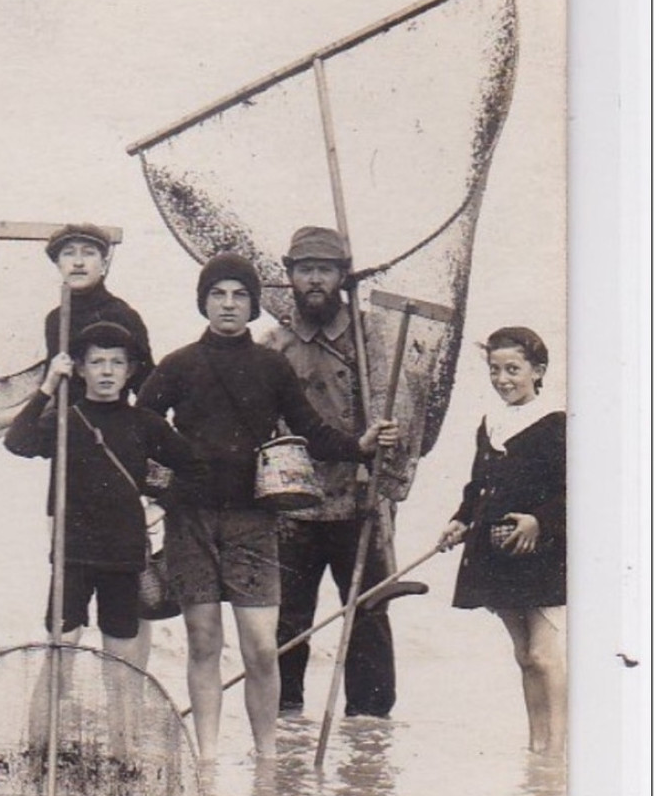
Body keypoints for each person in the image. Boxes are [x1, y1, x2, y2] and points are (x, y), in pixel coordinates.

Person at [136, 253, 397, 760]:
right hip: (190, 521)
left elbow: (309, 430)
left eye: (239, 295)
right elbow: (142, 419)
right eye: (218, 294)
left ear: (253, 305)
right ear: (204, 302)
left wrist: (358, 445)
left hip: (254, 521)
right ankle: (207, 757)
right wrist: (179, 460)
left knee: (260, 647)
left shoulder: (270, 365)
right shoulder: (180, 363)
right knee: (204, 641)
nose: (228, 305)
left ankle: (268, 757)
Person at [262, 226, 416, 718]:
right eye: (304, 270)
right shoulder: (275, 344)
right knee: (289, 619)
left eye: (324, 270)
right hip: (295, 506)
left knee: (369, 612)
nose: (314, 281)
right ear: (289, 276)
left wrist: (386, 466)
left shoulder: (373, 339)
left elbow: (404, 413)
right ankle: (285, 726)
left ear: (342, 277)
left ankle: (368, 731)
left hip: (359, 500)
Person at [4, 321, 203, 670]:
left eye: (116, 362)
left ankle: (121, 727)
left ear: (130, 370)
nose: (107, 371)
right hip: (73, 552)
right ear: (80, 369)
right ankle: (52, 725)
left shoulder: (144, 423)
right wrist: (48, 385)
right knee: (60, 650)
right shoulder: (66, 421)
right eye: (96, 362)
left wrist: (160, 505)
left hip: (122, 556)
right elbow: (17, 441)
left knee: (120, 659)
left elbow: (196, 468)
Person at [438, 327, 566, 759]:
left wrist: (539, 521)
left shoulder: (558, 420)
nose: (503, 379)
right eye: (495, 370)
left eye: (513, 369)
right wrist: (459, 521)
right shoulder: (489, 423)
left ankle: (556, 752)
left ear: (538, 371)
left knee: (545, 655)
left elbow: (580, 487)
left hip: (546, 552)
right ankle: (536, 745)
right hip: (498, 549)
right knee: (524, 655)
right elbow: (478, 486)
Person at [0, 223, 153, 436]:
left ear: (103, 263)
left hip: (114, 435)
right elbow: (52, 392)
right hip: (67, 436)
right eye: (69, 254)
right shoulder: (56, 320)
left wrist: (139, 439)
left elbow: (148, 390)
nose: (79, 262)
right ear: (58, 264)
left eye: (89, 253)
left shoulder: (123, 315)